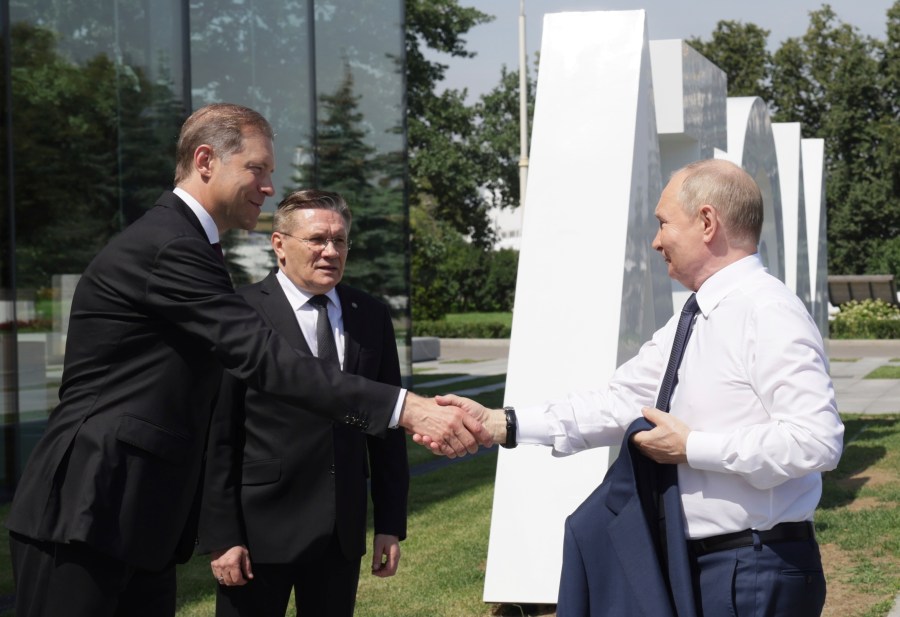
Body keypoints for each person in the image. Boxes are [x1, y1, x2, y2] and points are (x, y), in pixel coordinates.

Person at [6, 103, 489, 617]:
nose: (267, 187)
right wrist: (405, 408)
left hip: (136, 517)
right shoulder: (172, 246)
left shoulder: (192, 245)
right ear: (206, 160)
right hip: (90, 506)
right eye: (257, 169)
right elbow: (264, 360)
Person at [432, 159, 844, 617]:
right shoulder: (695, 318)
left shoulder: (766, 312)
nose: (655, 240)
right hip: (708, 566)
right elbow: (617, 404)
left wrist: (694, 448)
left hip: (753, 568)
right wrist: (500, 424)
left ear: (707, 222)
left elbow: (816, 441)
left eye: (664, 223)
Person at [199, 189, 409, 617]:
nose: (331, 251)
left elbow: (386, 428)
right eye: (317, 239)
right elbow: (218, 434)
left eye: (340, 241)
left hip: (340, 534)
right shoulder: (239, 314)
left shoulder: (370, 316)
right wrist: (222, 535)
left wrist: (389, 523)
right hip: (258, 535)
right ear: (279, 244)